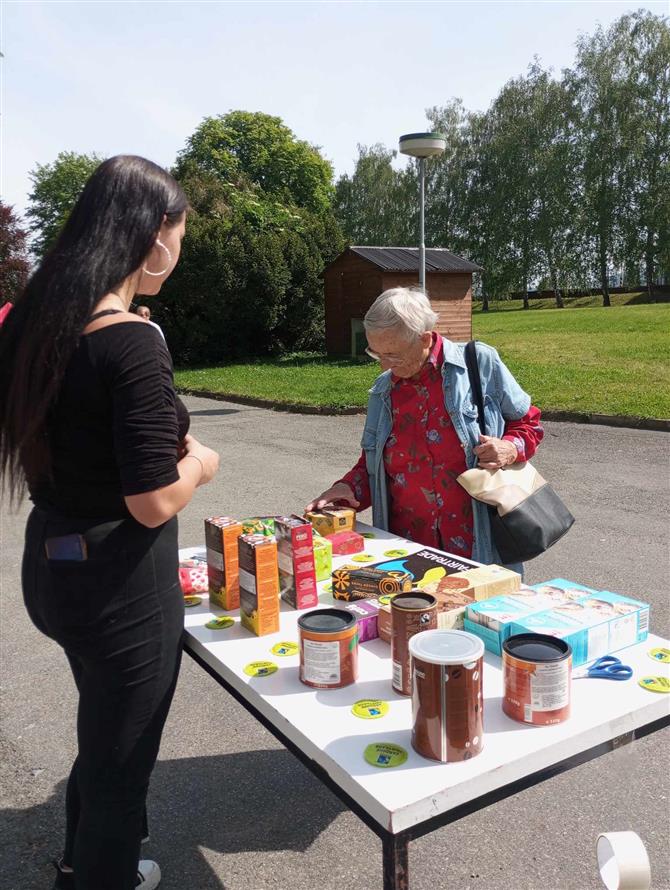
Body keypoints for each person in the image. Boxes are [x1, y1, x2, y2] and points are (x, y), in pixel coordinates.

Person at [0, 155, 219, 890]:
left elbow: (90, 434)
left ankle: (77, 861)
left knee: (104, 733)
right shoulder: (129, 339)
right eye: (180, 235)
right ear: (156, 236)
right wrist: (202, 464)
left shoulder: (40, 329)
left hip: (54, 567)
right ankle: (102, 875)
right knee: (124, 764)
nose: (179, 250)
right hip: (120, 586)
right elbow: (152, 499)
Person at [307, 287, 543, 568]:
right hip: (407, 553)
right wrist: (347, 488)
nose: (384, 365)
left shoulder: (478, 363)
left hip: (479, 548)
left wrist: (510, 448)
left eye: (393, 355)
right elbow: (374, 467)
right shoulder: (383, 390)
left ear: (425, 339)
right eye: (376, 353)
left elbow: (528, 423)